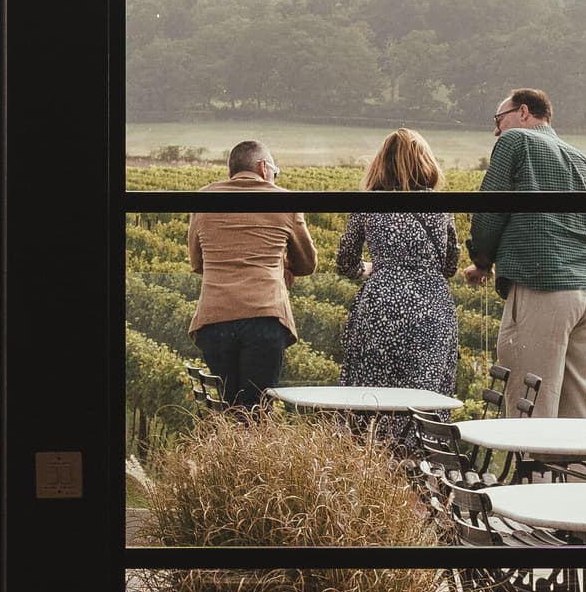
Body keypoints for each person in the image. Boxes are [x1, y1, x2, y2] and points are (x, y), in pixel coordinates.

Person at [468, 86, 586, 417]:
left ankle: (532, 472)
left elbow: (489, 211)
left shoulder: (515, 141)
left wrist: (482, 260)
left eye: (499, 119)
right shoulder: (580, 157)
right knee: (580, 406)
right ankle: (582, 472)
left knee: (529, 401)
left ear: (524, 112)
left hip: (544, 284)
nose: (496, 129)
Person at [187, 138, 319, 409]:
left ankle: (226, 451)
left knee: (229, 406)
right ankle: (248, 452)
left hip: (215, 317)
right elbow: (307, 264)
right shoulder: (285, 201)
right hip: (265, 316)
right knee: (257, 408)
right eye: (275, 171)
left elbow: (197, 263)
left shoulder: (203, 198)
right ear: (263, 167)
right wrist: (282, 261)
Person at [333, 129, 461, 399]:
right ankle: (417, 441)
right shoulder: (441, 205)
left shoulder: (369, 203)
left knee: (372, 394)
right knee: (425, 395)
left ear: (382, 162)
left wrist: (369, 268)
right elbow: (450, 266)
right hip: (432, 304)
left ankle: (373, 441)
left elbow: (345, 262)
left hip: (382, 303)